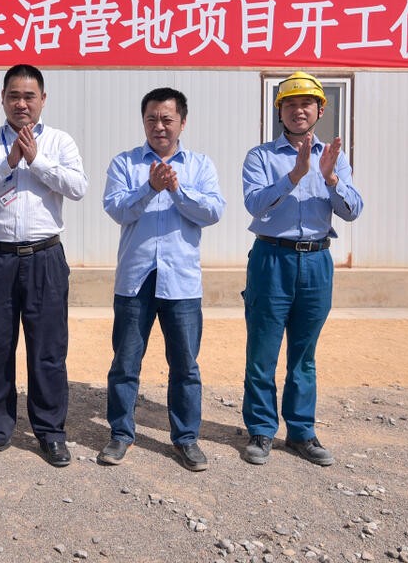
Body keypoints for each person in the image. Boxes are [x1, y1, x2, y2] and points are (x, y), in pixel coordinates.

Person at [0, 63, 87, 467]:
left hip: (45, 258)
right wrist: (8, 163)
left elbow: (78, 187)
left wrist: (37, 160)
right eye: (14, 95)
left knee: (48, 349)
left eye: (29, 96)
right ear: (2, 99)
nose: (21, 104)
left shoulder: (60, 142)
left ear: (43, 99)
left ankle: (50, 432)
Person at [240, 71, 363, 467]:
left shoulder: (335, 158)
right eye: (290, 104)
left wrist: (329, 177)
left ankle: (301, 432)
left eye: (306, 103)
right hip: (271, 258)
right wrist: (295, 174)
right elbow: (255, 204)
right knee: (262, 352)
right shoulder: (261, 157)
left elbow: (353, 211)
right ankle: (261, 430)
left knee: (304, 355)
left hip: (316, 261)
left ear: (320, 110)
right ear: (280, 111)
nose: (298, 110)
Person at [98, 88, 224, 470]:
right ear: (144, 122)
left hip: (181, 281)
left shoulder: (199, 165)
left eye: (167, 119)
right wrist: (149, 187)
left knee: (185, 366)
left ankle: (186, 439)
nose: (159, 126)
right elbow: (116, 209)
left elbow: (213, 211)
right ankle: (120, 435)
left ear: (182, 122)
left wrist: (176, 190)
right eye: (151, 119)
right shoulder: (125, 163)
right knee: (125, 363)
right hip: (135, 279)